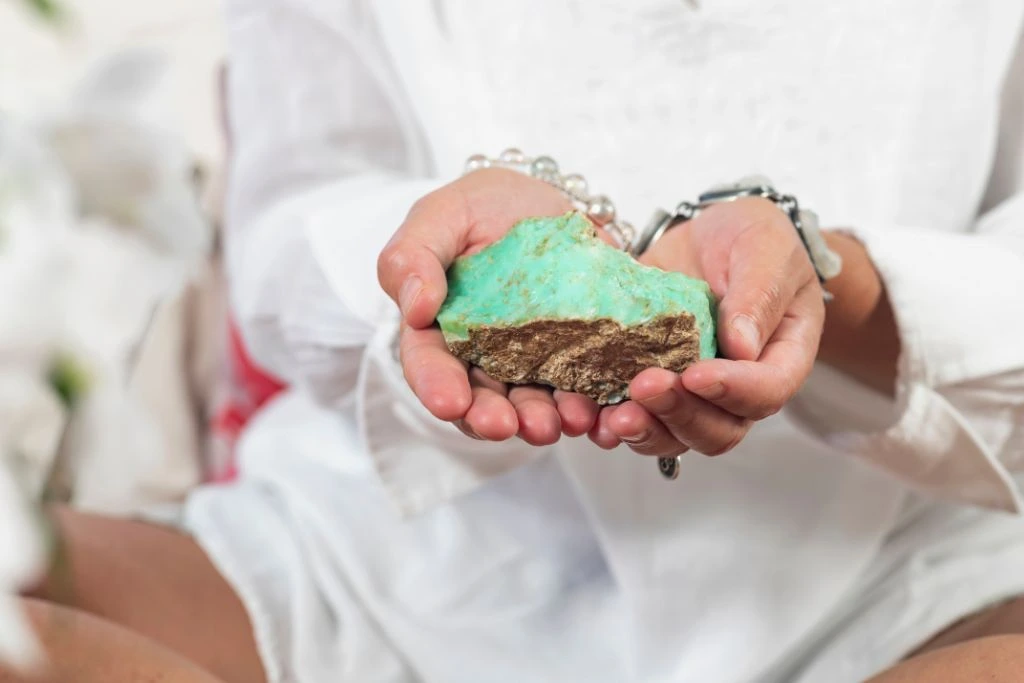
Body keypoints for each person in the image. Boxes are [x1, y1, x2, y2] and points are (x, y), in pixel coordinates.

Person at [9, 1, 1024, 682]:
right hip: (382, 576)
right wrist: (430, 265)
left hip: (905, 586)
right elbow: (294, 211)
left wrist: (826, 280)